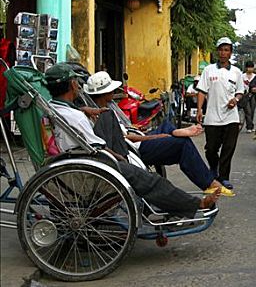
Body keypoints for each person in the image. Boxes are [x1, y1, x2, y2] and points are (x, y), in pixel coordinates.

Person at [44, 63, 220, 218]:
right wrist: (119, 157)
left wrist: (84, 110)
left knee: (149, 134)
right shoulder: (75, 116)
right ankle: (195, 204)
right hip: (100, 161)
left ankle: (173, 135)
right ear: (73, 85)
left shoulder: (56, 109)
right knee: (152, 181)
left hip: (91, 156)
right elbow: (97, 147)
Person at [84, 71, 235, 197]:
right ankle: (210, 183)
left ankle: (175, 131)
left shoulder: (107, 107)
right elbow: (122, 138)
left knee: (166, 126)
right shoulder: (101, 115)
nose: (113, 92)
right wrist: (154, 137)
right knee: (182, 144)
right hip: (133, 148)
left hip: (136, 137)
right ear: (105, 93)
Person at [196, 37, 244, 190]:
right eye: (221, 50)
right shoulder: (209, 70)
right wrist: (199, 109)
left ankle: (223, 177)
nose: (224, 53)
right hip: (212, 117)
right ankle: (213, 168)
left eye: (227, 50)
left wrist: (235, 100)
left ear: (230, 53)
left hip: (231, 117)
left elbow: (240, 92)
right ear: (217, 52)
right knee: (211, 149)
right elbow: (202, 91)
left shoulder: (236, 72)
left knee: (228, 148)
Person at [240, 61, 256, 133]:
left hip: (253, 95)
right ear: (246, 68)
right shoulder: (242, 76)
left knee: (252, 110)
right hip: (245, 95)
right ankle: (249, 127)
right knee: (248, 111)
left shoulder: (255, 76)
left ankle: (251, 125)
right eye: (248, 67)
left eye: (251, 67)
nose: (250, 69)